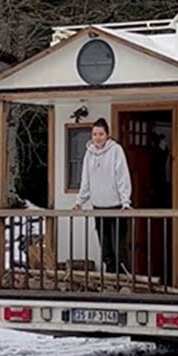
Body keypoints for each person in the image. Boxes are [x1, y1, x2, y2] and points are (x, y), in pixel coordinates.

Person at [73, 117, 133, 274]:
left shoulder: (116, 151)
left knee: (119, 247)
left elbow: (122, 176)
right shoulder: (89, 154)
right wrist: (80, 201)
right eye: (94, 134)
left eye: (101, 133)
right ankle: (111, 280)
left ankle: (124, 279)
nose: (97, 137)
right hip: (98, 207)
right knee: (106, 248)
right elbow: (85, 180)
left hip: (116, 206)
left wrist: (125, 201)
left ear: (107, 134)